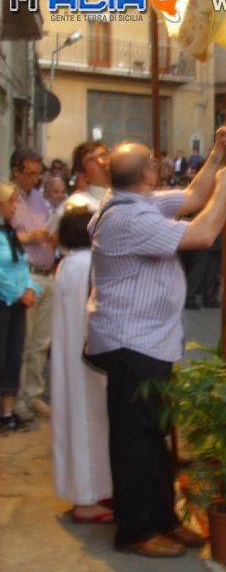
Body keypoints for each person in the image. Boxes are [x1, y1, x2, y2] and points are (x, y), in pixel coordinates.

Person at [85, 121, 226, 558]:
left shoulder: (142, 201)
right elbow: (203, 231)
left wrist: (215, 153)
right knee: (135, 441)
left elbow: (192, 197)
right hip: (130, 343)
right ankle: (135, 530)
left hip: (149, 341)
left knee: (154, 437)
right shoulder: (128, 218)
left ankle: (163, 519)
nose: (158, 167)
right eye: (153, 162)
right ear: (148, 175)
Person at [50, 205, 113, 522]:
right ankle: (87, 500)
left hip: (69, 355)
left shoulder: (66, 264)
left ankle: (87, 492)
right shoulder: (90, 263)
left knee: (76, 424)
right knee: (90, 425)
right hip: (88, 357)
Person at [9, 148, 55, 421]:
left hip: (47, 272)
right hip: (24, 275)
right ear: (16, 171)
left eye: (38, 174)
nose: (35, 180)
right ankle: (16, 399)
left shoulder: (39, 196)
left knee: (41, 342)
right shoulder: (6, 196)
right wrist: (27, 237)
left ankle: (34, 394)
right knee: (23, 342)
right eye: (30, 174)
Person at [0, 182, 40, 434]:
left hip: (15, 304)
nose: (15, 206)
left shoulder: (9, 232)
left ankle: (7, 412)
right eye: (11, 202)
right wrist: (17, 293)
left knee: (13, 354)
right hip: (4, 302)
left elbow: (21, 265)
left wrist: (30, 288)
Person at [48, 141, 111, 236]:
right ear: (84, 174)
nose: (101, 162)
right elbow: (49, 236)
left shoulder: (128, 195)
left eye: (103, 155)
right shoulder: (77, 204)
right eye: (91, 160)